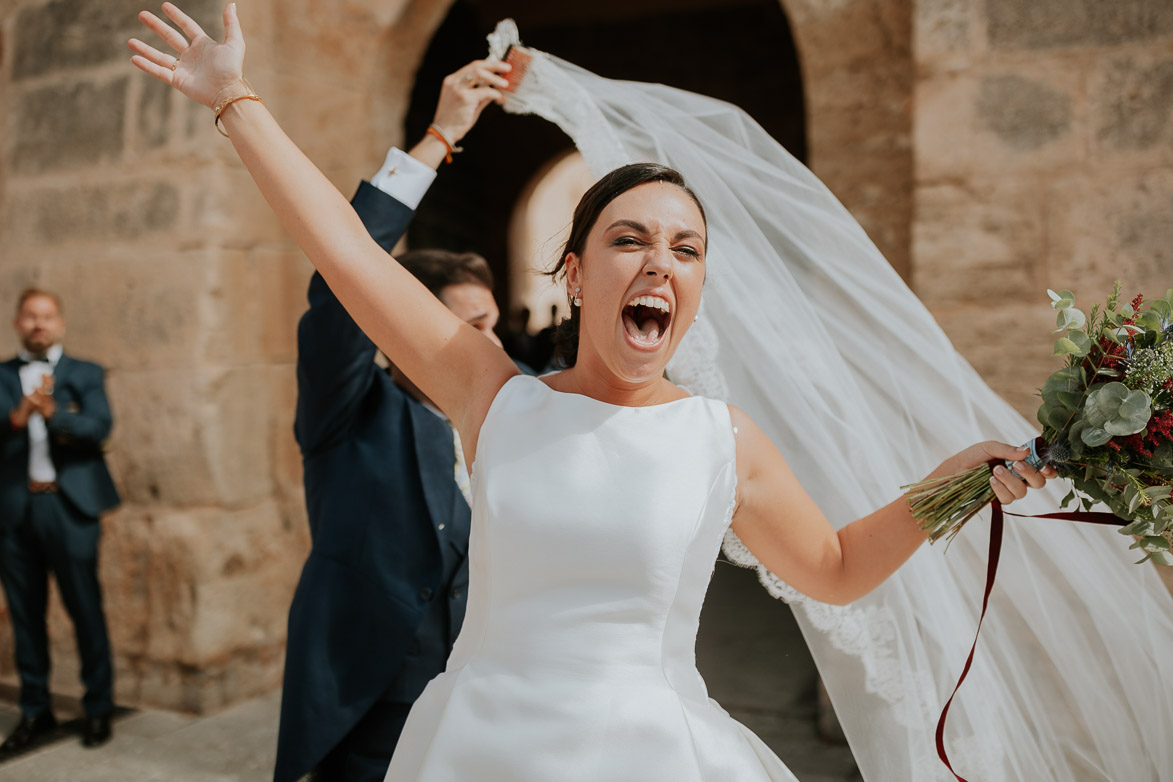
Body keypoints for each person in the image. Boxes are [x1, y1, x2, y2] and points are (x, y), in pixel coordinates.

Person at [130, 5, 1142, 781]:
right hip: (475, 748)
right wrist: (236, 103)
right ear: (575, 276)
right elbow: (344, 251)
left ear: (698, 292)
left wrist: (949, 485)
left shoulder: (721, 436)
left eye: (686, 248)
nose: (660, 260)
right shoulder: (494, 392)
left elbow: (832, 568)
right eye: (629, 238)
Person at [276, 61, 512, 782]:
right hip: (368, 704)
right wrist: (440, 137)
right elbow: (344, 275)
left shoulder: (514, 412)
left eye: (494, 325)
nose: (493, 346)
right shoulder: (346, 410)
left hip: (484, 703)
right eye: (473, 326)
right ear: (413, 323)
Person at [0, 289, 119, 752]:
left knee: (85, 609)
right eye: (30, 316)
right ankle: (35, 710)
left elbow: (99, 428)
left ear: (61, 324)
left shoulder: (85, 373)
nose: (38, 324)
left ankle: (99, 707)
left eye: (47, 316)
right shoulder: (3, 375)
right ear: (17, 323)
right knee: (26, 615)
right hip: (15, 508)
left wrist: (53, 415)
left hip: (69, 508)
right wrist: (18, 416)